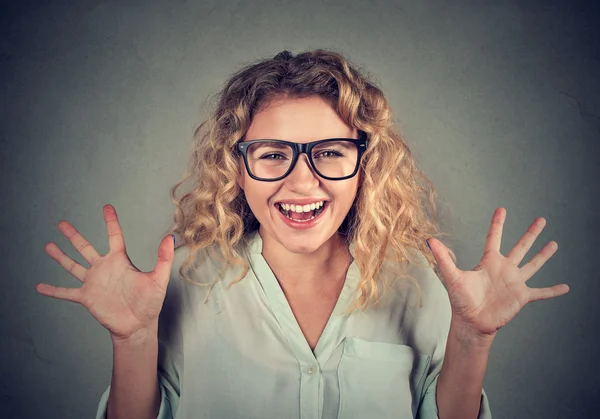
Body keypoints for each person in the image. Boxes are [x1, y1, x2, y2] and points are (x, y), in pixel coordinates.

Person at [37, 49, 569, 419]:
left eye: (329, 153)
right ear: (236, 168)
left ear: (365, 165)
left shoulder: (422, 286)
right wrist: (130, 340)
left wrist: (474, 338)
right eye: (272, 154)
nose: (301, 180)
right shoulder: (179, 286)